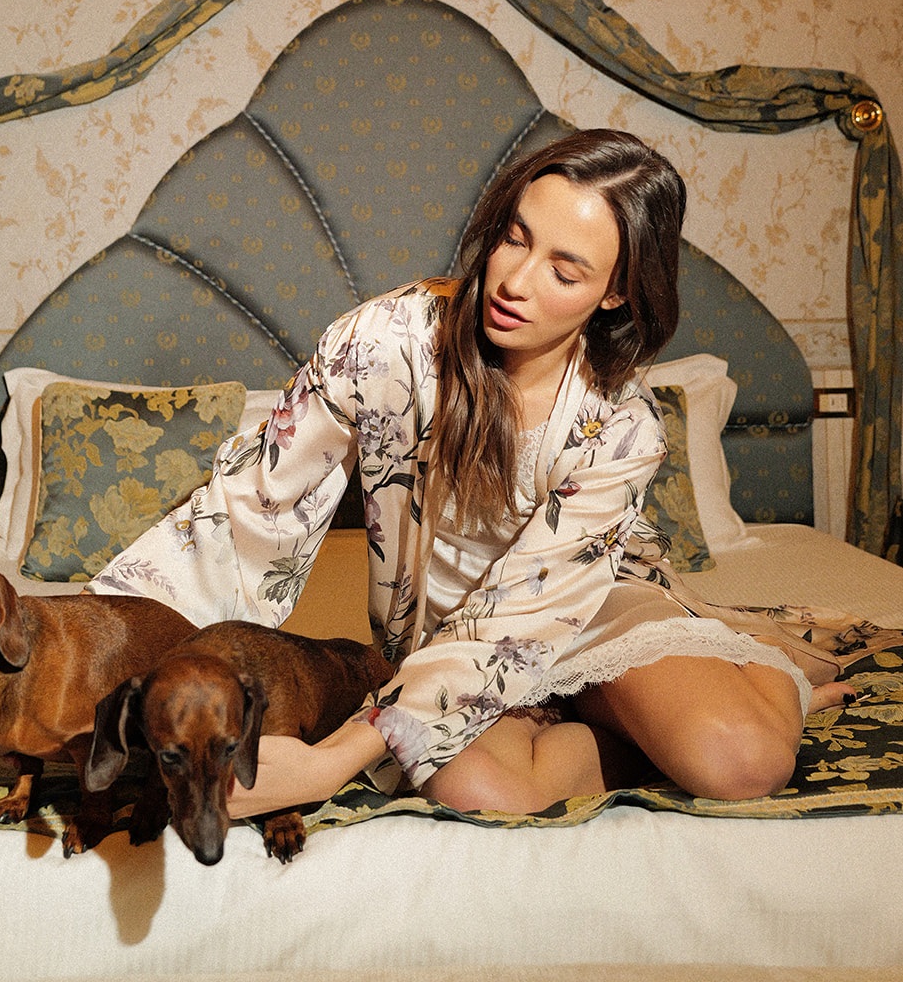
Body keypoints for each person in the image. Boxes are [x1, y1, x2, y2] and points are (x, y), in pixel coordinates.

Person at [90, 128, 847, 819]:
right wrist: (104, 659)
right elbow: (253, 509)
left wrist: (327, 765)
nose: (515, 281)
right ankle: (640, 728)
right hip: (446, 637)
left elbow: (531, 612)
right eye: (514, 239)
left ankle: (772, 681)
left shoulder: (622, 424)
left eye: (565, 271)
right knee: (479, 790)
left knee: (742, 763)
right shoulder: (386, 343)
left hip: (592, 607)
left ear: (615, 292)